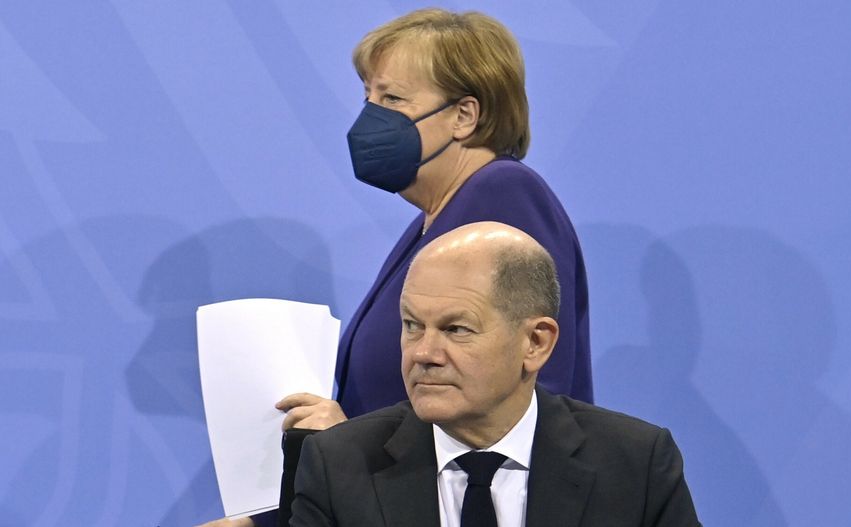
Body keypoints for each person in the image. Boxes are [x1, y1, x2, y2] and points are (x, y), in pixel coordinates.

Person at [203, 9, 593, 526]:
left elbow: (516, 403)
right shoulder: (433, 224)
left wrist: (348, 446)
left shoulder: (502, 198)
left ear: (464, 116)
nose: (370, 117)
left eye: (392, 99)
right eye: (367, 97)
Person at [290, 222, 700, 526]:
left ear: (536, 343)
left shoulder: (635, 465)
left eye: (456, 329)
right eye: (412, 325)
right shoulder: (338, 466)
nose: (424, 353)